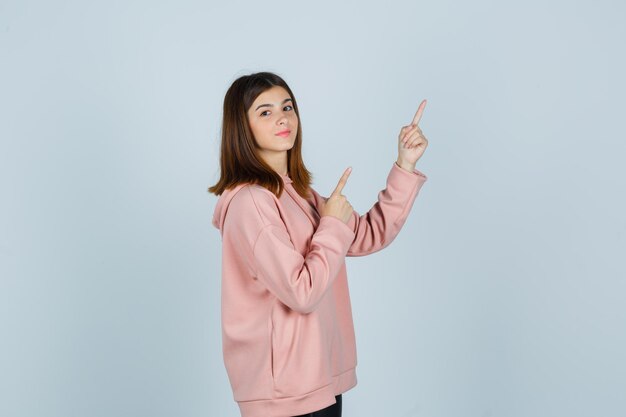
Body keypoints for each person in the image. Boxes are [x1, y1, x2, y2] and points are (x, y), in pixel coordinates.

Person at [209, 71, 429, 417]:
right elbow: (302, 292)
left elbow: (371, 233)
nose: (282, 117)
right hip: (284, 392)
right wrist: (331, 224)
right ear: (242, 128)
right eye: (265, 112)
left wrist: (404, 165)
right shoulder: (251, 203)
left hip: (317, 377)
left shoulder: (300, 194)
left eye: (287, 106)